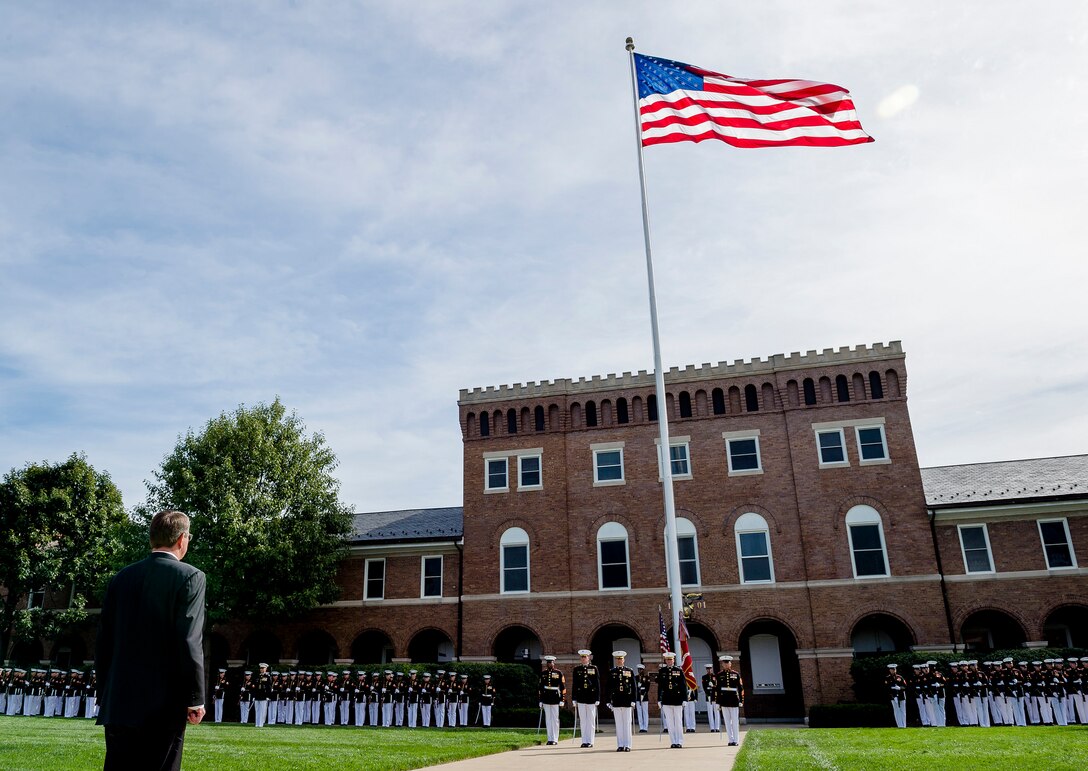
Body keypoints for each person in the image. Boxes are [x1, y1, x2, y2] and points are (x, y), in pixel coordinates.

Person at [96, 509, 206, 771]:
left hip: (119, 702)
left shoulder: (121, 578)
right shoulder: (190, 577)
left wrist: (105, 692)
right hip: (163, 705)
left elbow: (104, 641)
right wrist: (195, 697)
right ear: (182, 539)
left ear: (151, 539)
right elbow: (188, 639)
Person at [571, 649, 600, 747]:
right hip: (581, 697)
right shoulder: (577, 669)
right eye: (582, 657)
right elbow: (574, 685)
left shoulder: (594, 668)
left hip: (591, 697)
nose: (583, 659)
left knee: (591, 720)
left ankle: (591, 741)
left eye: (585, 657)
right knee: (583, 720)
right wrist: (574, 698)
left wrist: (597, 698)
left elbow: (597, 684)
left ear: (589, 658)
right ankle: (584, 741)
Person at [657, 651, 686, 748]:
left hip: (677, 699)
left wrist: (684, 699)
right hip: (666, 699)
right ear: (665, 660)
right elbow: (660, 687)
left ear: (673, 660)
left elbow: (683, 686)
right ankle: (673, 741)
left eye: (671, 659)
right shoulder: (662, 671)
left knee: (678, 721)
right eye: (667, 659)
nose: (669, 661)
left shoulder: (679, 670)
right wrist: (659, 699)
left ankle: (679, 741)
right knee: (669, 722)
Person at [608, 651, 635, 752]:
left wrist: (633, 699)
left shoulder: (629, 671)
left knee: (627, 723)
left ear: (624, 660)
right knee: (619, 724)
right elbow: (609, 687)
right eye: (617, 659)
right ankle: (620, 744)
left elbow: (633, 687)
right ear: (615, 660)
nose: (619, 661)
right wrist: (608, 700)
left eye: (621, 659)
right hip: (616, 700)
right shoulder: (612, 672)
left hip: (627, 700)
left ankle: (627, 744)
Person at [715, 655, 744, 746]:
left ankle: (736, 740)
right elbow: (717, 689)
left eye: (727, 663)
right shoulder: (719, 675)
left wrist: (741, 700)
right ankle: (730, 740)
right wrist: (717, 702)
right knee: (727, 722)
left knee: (735, 721)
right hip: (724, 700)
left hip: (734, 700)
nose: (726, 664)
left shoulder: (736, 674)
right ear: (722, 664)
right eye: (724, 663)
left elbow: (740, 688)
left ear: (730, 664)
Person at [538, 655, 566, 746]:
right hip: (546, 697)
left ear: (554, 663)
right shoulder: (543, 673)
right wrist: (540, 700)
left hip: (555, 698)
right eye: (548, 662)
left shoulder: (558, 673)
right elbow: (540, 688)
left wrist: (562, 699)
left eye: (551, 662)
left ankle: (555, 738)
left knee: (555, 719)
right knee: (548, 719)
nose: (549, 664)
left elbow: (563, 687)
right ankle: (549, 738)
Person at [886, 663, 907, 728]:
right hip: (893, 696)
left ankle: (904, 725)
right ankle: (899, 725)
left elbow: (905, 686)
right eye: (892, 669)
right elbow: (886, 687)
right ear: (889, 670)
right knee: (896, 711)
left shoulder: (900, 677)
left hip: (901, 695)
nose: (893, 670)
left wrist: (900, 688)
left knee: (903, 710)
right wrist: (891, 688)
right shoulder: (887, 678)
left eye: (894, 669)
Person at [635, 663, 650, 733]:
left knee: (645, 712)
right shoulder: (636, 678)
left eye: (641, 669)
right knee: (639, 712)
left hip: (644, 697)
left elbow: (647, 688)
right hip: (638, 697)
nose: (639, 671)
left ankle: (645, 727)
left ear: (643, 670)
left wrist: (643, 692)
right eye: (638, 669)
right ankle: (641, 727)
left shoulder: (646, 678)